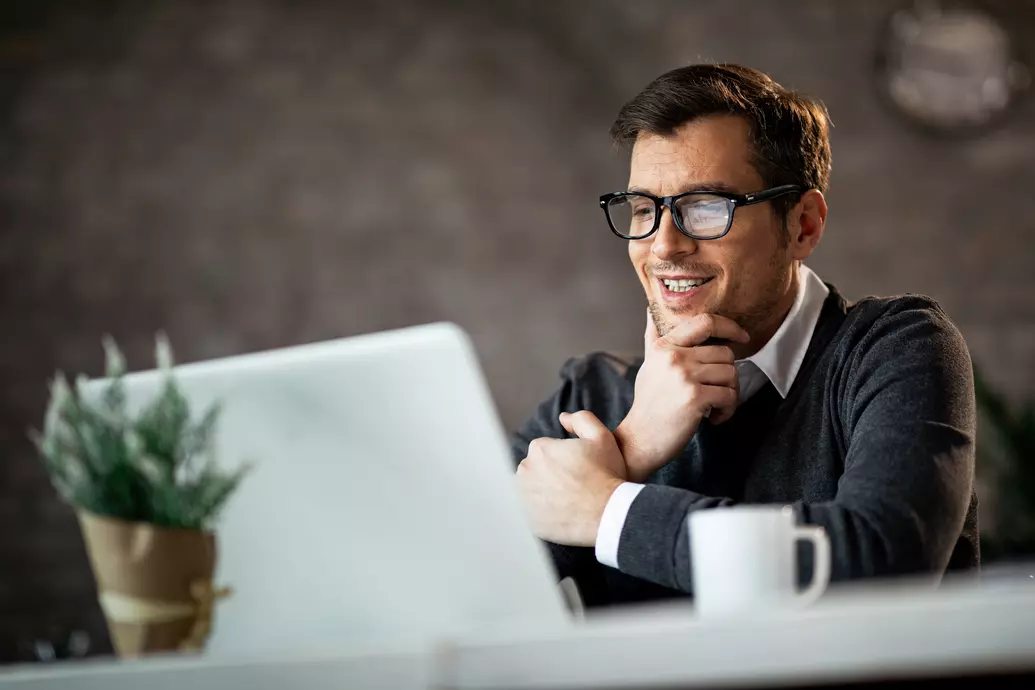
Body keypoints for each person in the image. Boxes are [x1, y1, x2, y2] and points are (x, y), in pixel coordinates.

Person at [513, 64, 979, 607]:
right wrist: (632, 446)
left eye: (706, 207)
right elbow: (459, 600)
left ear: (803, 224)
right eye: (645, 209)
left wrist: (608, 509)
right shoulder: (588, 399)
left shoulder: (898, 348)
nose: (663, 246)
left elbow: (884, 559)